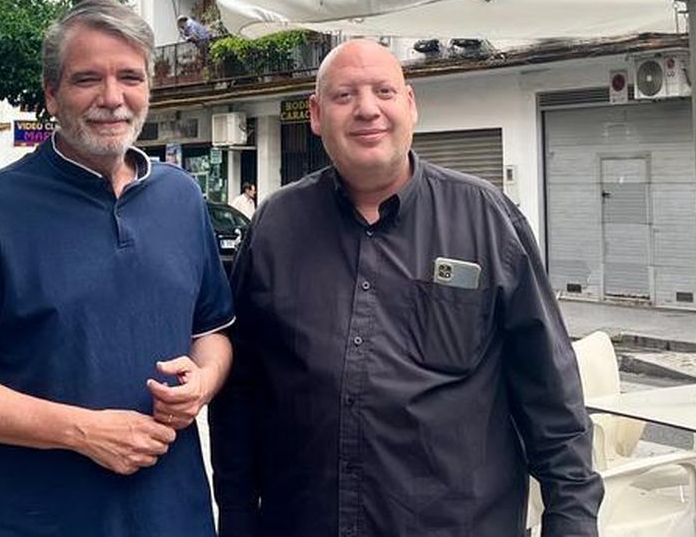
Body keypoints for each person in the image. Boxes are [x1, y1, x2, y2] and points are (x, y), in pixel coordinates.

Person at [211, 39, 601, 537]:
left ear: (410, 104)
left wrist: (571, 521)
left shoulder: (487, 220)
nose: (367, 109)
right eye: (344, 95)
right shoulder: (275, 226)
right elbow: (240, 390)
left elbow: (552, 397)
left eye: (384, 91)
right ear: (315, 113)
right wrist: (238, 516)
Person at [0, 0, 235, 537]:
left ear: (149, 87)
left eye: (130, 77)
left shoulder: (181, 198)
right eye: (88, 79)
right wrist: (83, 431)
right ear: (52, 94)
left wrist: (202, 382)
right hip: (47, 520)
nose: (112, 98)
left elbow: (214, 333)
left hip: (177, 516)